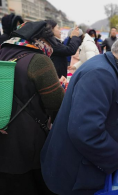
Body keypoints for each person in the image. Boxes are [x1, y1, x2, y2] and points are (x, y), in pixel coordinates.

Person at [41, 34, 118, 195]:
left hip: (74, 165)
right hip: (73, 173)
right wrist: (115, 157)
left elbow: (101, 108)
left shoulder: (105, 65)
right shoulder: (100, 74)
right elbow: (86, 130)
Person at [0, 21, 64, 195]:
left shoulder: (3, 51)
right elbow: (56, 103)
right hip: (26, 143)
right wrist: (61, 88)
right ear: (42, 40)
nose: (52, 49)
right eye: (51, 43)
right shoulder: (39, 61)